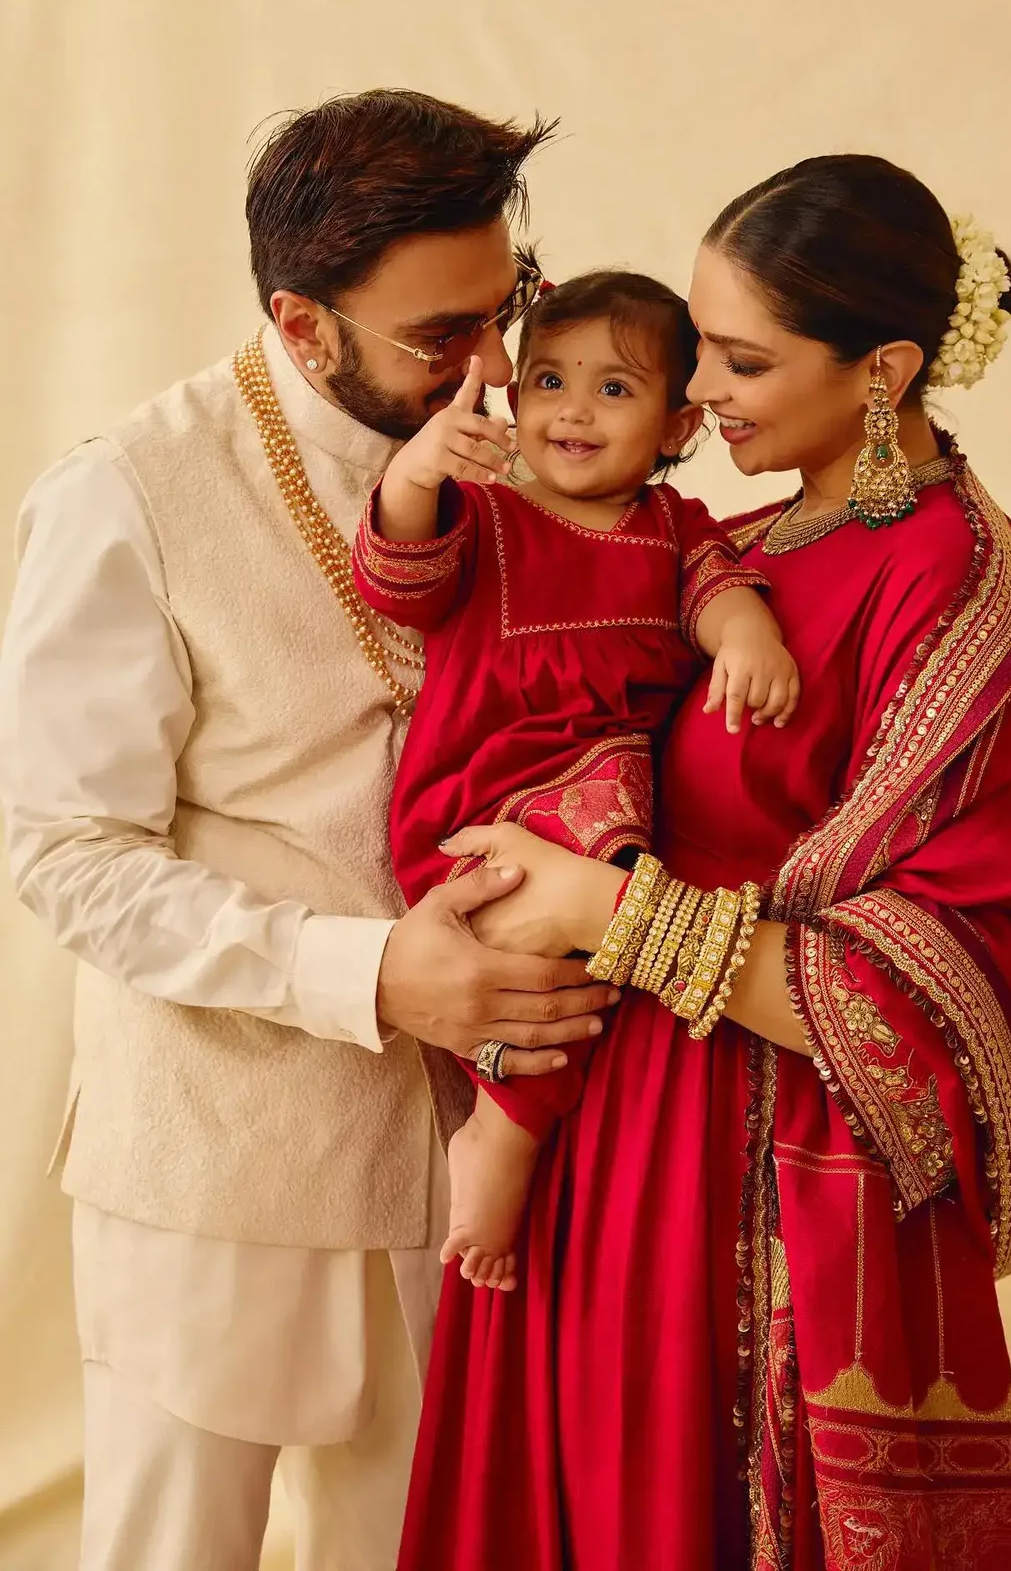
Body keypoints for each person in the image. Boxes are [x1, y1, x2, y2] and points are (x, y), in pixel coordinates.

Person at [396, 155, 1011, 1571]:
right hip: (607, 1118)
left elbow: (959, 977)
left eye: (739, 358)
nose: (698, 393)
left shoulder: (955, 582)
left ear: (885, 369)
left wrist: (621, 915)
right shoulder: (725, 545)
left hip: (761, 1173)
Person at [0, 89, 618, 1571]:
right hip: (218, 1158)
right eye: (435, 339)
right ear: (302, 317)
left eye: (505, 307)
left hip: (482, 1160)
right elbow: (62, 853)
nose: (488, 369)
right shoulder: (129, 494)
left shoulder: (535, 447)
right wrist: (368, 977)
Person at [351, 270, 798, 1287]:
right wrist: (419, 470)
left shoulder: (674, 526)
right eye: (548, 379)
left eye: (613, 390)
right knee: (583, 920)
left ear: (679, 422)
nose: (570, 410)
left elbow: (720, 595)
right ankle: (502, 1135)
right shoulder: (490, 513)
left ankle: (503, 1126)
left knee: (582, 964)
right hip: (482, 788)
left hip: (600, 798)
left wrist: (749, 636)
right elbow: (397, 573)